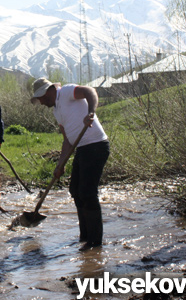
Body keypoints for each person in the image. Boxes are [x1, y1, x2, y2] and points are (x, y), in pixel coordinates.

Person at [31, 77, 110, 251]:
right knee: (75, 190)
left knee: (88, 192)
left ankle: (95, 242)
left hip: (96, 145)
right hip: (82, 148)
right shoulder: (56, 111)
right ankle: (85, 236)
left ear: (49, 90)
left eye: (42, 98)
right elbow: (67, 140)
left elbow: (90, 91)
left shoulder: (66, 92)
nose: (42, 102)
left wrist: (91, 113)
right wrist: (60, 164)